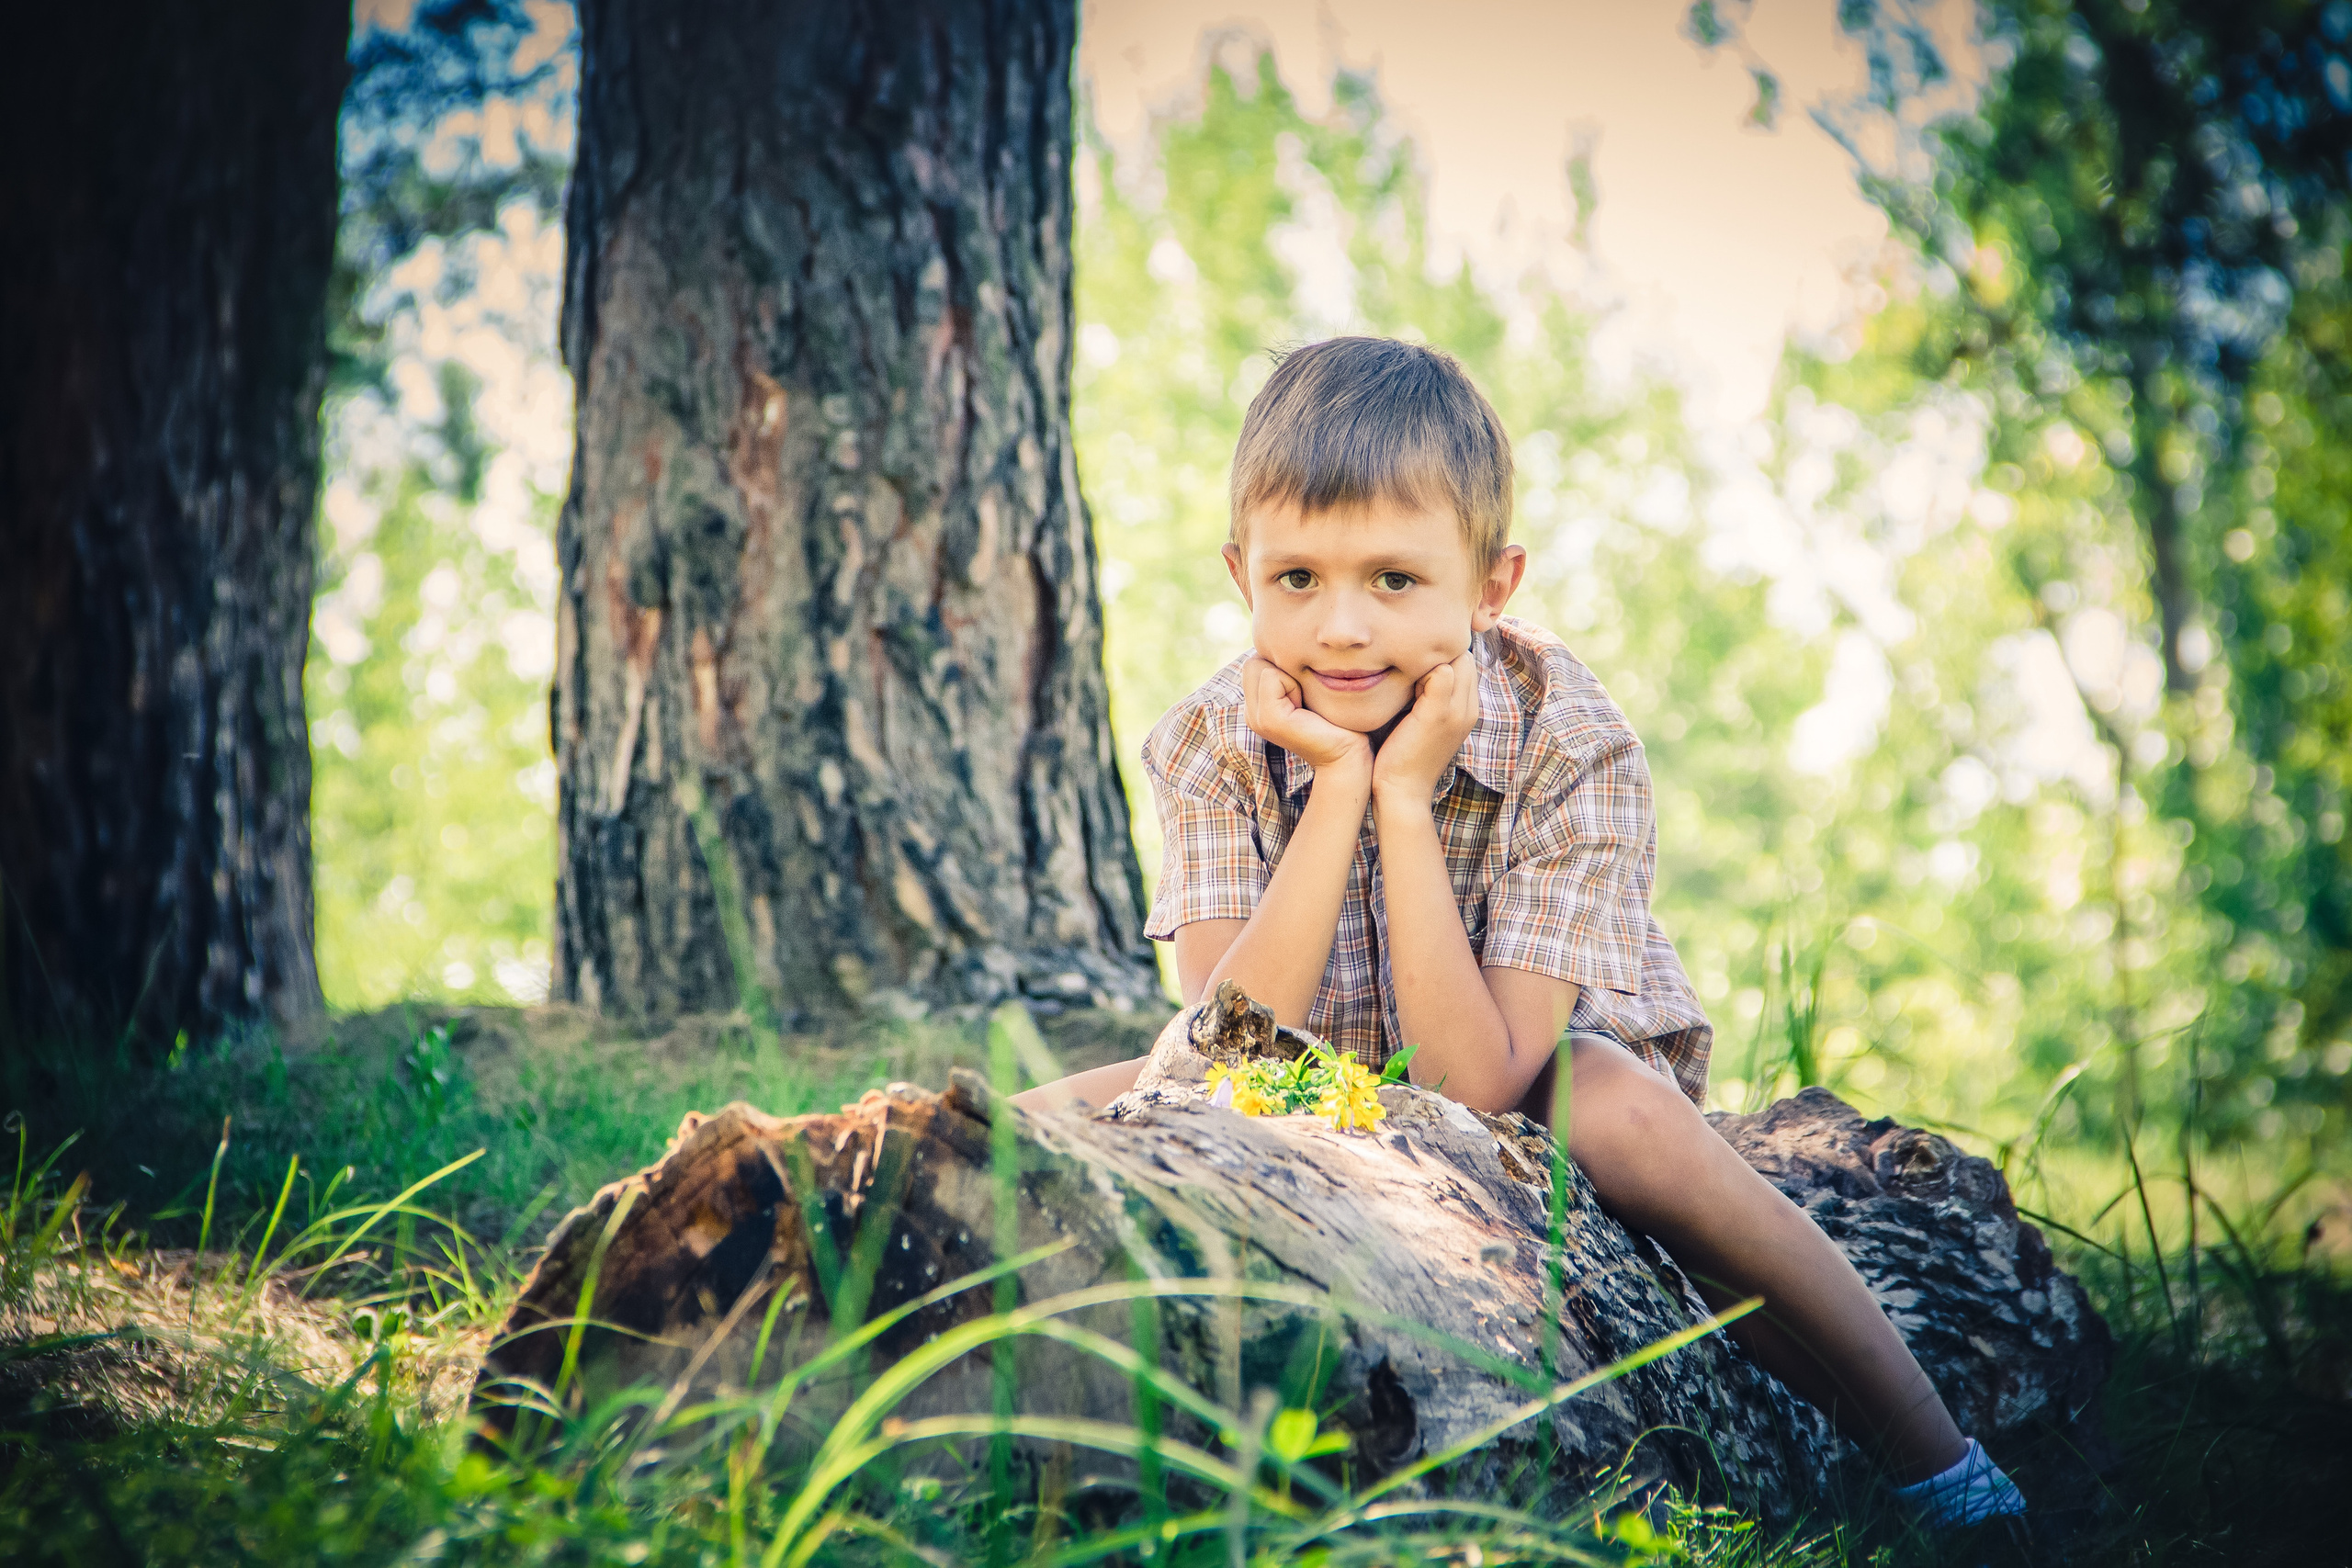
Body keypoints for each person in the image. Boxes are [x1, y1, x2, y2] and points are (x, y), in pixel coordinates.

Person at [1015, 336, 2024, 1529]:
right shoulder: (1210, 741)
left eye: (1396, 579)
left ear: (1491, 587)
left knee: (1620, 1110)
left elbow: (1470, 1086)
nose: (1341, 627)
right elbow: (1224, 1047)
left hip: (1530, 1072)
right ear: (1242, 575)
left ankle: (1940, 1465)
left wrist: (1401, 801)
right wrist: (1336, 788)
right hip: (1297, 1071)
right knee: (1043, 1121)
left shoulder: (1568, 738)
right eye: (1298, 579)